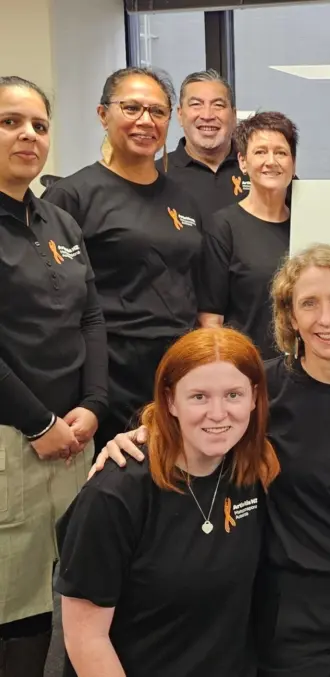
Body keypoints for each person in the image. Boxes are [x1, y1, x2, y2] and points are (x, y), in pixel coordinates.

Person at [94, 244, 330, 676]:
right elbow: (200, 415)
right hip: (289, 614)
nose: (326, 318)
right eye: (309, 304)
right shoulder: (263, 389)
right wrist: (139, 435)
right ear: (290, 318)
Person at [57, 327, 279, 677]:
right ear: (171, 400)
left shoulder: (252, 469)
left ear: (254, 397)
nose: (218, 413)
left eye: (233, 395)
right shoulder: (115, 493)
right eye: (199, 397)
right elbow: (86, 639)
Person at [0, 75, 107, 677]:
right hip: (13, 443)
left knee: (61, 602)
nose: (28, 136)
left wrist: (94, 402)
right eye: (10, 122)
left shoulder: (58, 221)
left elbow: (89, 315)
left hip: (71, 439)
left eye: (39, 125)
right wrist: (39, 423)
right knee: (12, 607)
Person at [42, 67, 204, 454]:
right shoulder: (71, 197)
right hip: (109, 374)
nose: (146, 121)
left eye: (158, 111)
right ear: (103, 114)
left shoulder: (183, 199)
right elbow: (53, 300)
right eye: (132, 108)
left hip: (177, 369)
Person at [198, 111, 297, 359]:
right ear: (243, 162)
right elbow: (211, 319)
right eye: (260, 152)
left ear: (293, 163)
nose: (271, 161)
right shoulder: (223, 227)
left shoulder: (306, 224)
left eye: (281, 153)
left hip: (306, 368)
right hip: (247, 367)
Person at [157, 70, 250, 217]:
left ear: (233, 116)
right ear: (180, 115)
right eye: (196, 104)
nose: (207, 115)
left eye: (218, 105)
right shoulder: (157, 175)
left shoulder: (260, 167)